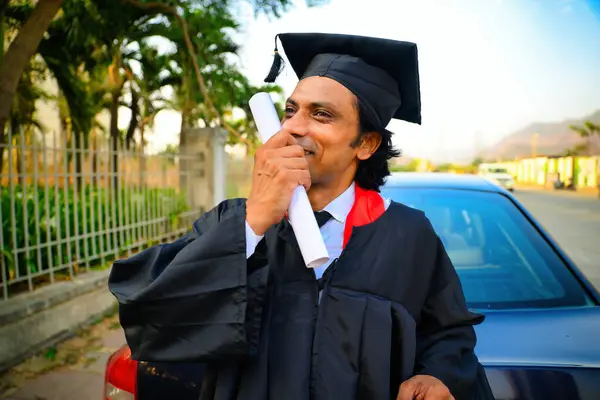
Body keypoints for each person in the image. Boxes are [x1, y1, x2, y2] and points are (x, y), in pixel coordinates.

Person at [108, 32, 495, 400]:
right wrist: (255, 219)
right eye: (290, 110)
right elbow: (154, 316)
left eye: (321, 114)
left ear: (366, 143)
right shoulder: (233, 224)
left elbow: (449, 335)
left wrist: (438, 373)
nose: (292, 126)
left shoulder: (409, 235)